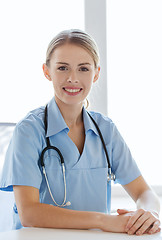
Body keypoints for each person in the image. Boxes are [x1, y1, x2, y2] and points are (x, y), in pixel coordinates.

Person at [0, 29, 161, 235]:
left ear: (96, 73)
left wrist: (148, 213)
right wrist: (103, 220)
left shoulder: (106, 130)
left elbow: (144, 192)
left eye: (83, 68)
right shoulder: (29, 130)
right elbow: (29, 213)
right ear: (47, 71)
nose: (73, 78)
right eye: (63, 68)